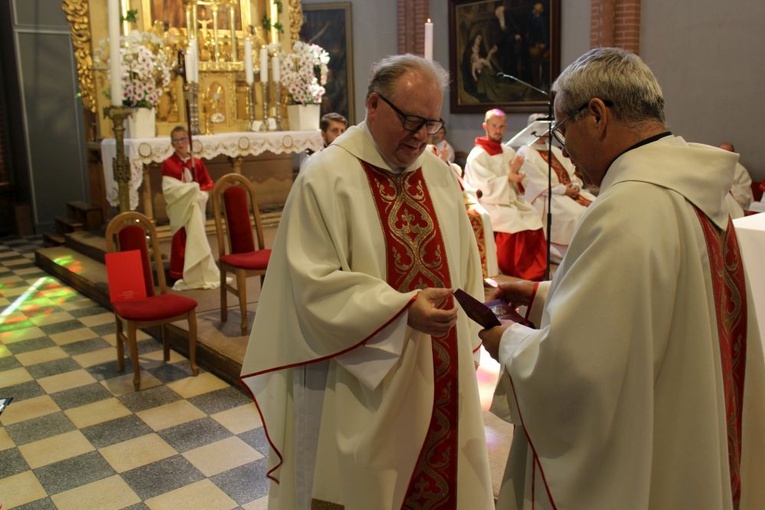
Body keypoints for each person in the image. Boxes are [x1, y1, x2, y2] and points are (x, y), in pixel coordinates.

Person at [480, 47, 765, 510]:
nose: (563, 146)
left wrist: (508, 341)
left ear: (596, 115)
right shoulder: (694, 187)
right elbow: (655, 296)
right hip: (689, 424)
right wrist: (540, 295)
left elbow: (577, 371)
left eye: (562, 126)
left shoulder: (629, 206)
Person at [241, 54, 494, 509]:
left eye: (432, 124)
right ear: (373, 104)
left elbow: (465, 269)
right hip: (355, 380)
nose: (421, 138)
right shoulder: (325, 176)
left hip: (440, 371)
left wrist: (472, 329)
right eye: (411, 121)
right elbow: (311, 283)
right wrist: (398, 311)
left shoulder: (438, 175)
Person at [464, 108, 547, 281]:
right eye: (494, 126)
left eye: (501, 126)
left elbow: (520, 180)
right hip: (489, 201)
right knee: (513, 219)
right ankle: (514, 269)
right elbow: (483, 187)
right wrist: (508, 177)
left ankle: (536, 270)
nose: (498, 130)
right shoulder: (478, 155)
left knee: (532, 214)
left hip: (509, 198)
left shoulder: (508, 151)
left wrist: (516, 177)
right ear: (485, 126)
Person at [517, 114, 595, 263]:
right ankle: (571, 257)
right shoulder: (525, 152)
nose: (543, 132)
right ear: (530, 129)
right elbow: (536, 183)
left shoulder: (555, 150)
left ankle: (590, 253)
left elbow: (572, 170)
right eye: (539, 128)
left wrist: (576, 185)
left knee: (595, 205)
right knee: (575, 215)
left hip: (569, 194)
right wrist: (565, 190)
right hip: (546, 197)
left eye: (545, 128)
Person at [161, 125, 220, 290]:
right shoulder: (168, 164)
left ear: (188, 141)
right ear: (172, 143)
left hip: (195, 207)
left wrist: (198, 194)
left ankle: (198, 271)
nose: (180, 144)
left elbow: (205, 186)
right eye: (176, 140)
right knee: (181, 239)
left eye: (182, 139)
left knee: (196, 236)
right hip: (181, 208)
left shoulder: (197, 163)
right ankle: (178, 273)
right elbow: (170, 189)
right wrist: (190, 190)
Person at [720, 142, 753, 212]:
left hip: (735, 207)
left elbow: (744, 195)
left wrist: (728, 193)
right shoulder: (713, 167)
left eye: (726, 152)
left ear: (733, 154)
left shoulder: (741, 171)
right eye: (721, 152)